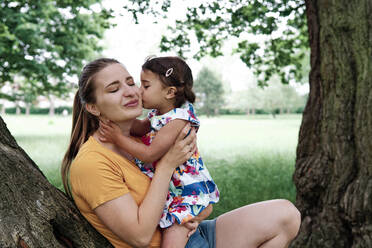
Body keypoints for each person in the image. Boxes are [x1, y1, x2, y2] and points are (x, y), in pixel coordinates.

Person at [61, 58, 301, 248]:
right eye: (114, 89)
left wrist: (193, 213)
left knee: (286, 215)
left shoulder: (142, 135)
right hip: (173, 243)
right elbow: (140, 237)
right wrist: (167, 165)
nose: (130, 92)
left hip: (192, 231)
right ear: (92, 107)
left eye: (131, 82)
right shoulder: (91, 163)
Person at [98, 56, 219, 247]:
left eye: (145, 86)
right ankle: (201, 213)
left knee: (172, 239)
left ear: (169, 92)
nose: (138, 90)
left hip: (185, 193)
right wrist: (114, 117)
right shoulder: (158, 114)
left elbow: (150, 154)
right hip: (173, 189)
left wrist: (118, 138)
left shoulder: (178, 120)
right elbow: (140, 129)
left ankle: (199, 212)